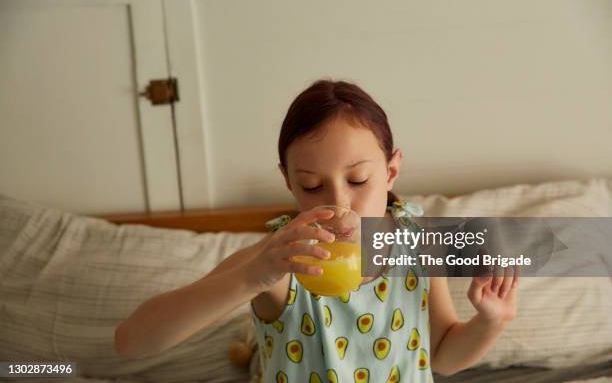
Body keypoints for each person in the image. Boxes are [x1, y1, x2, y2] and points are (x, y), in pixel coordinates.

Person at [114, 79, 519, 381]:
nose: (338, 203)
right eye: (311, 186)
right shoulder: (278, 262)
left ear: (391, 171)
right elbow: (131, 342)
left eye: (359, 180)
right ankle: (252, 349)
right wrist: (251, 276)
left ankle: (250, 348)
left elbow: (442, 356)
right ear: (289, 182)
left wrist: (490, 321)